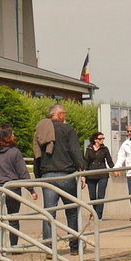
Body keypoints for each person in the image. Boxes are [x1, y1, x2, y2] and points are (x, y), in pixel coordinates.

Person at [33, 104, 85, 251]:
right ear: (60, 115)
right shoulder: (67, 129)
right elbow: (75, 151)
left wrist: (38, 174)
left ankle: (49, 248)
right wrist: (81, 170)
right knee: (72, 211)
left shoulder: (41, 128)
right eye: (65, 114)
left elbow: (36, 153)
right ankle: (74, 247)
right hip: (66, 174)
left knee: (49, 212)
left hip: (47, 175)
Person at [0, 124, 33, 250]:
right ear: (8, 137)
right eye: (12, 134)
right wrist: (31, 189)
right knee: (13, 218)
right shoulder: (15, 152)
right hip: (12, 189)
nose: (14, 135)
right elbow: (22, 172)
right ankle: (14, 247)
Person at [83, 130, 113, 221]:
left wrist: (115, 170)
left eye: (103, 138)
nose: (102, 140)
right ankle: (94, 212)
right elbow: (85, 162)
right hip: (91, 175)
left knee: (101, 195)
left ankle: (99, 215)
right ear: (95, 140)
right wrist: (83, 174)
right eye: (100, 139)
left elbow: (109, 161)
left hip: (102, 175)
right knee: (92, 196)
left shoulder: (105, 149)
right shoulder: (89, 149)